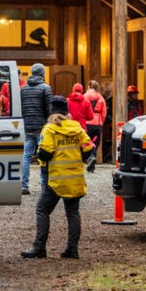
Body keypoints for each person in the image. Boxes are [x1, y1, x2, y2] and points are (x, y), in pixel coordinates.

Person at [21, 96, 94, 259]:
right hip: (74, 178)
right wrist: (79, 156)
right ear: (66, 112)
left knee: (42, 209)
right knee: (73, 213)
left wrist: (38, 154)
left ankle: (39, 247)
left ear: (51, 112)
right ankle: (72, 249)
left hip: (55, 179)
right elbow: (88, 148)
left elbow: (45, 153)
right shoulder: (77, 128)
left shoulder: (50, 129)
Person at [20, 63, 53, 195]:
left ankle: (24, 185)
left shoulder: (23, 89)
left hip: (27, 127)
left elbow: (21, 109)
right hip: (42, 128)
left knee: (26, 156)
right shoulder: (46, 88)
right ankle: (45, 186)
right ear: (42, 74)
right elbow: (49, 109)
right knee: (44, 156)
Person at [82, 80, 107, 172]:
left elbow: (82, 109)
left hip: (87, 123)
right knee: (96, 143)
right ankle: (92, 157)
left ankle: (88, 159)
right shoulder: (100, 98)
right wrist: (101, 122)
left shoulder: (84, 96)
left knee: (86, 142)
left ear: (88, 86)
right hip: (97, 123)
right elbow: (104, 112)